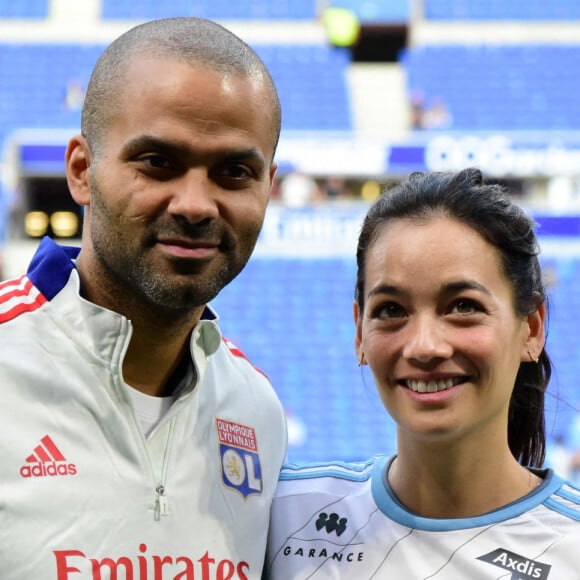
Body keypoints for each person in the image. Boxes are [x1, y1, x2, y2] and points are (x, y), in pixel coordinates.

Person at [0, 17, 287, 579]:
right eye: (158, 163)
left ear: (267, 188)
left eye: (234, 172)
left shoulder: (256, 410)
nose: (197, 205)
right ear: (82, 172)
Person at [265, 168, 580, 578]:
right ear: (359, 331)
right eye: (391, 310)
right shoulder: (283, 515)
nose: (425, 346)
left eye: (463, 306)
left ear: (531, 329)